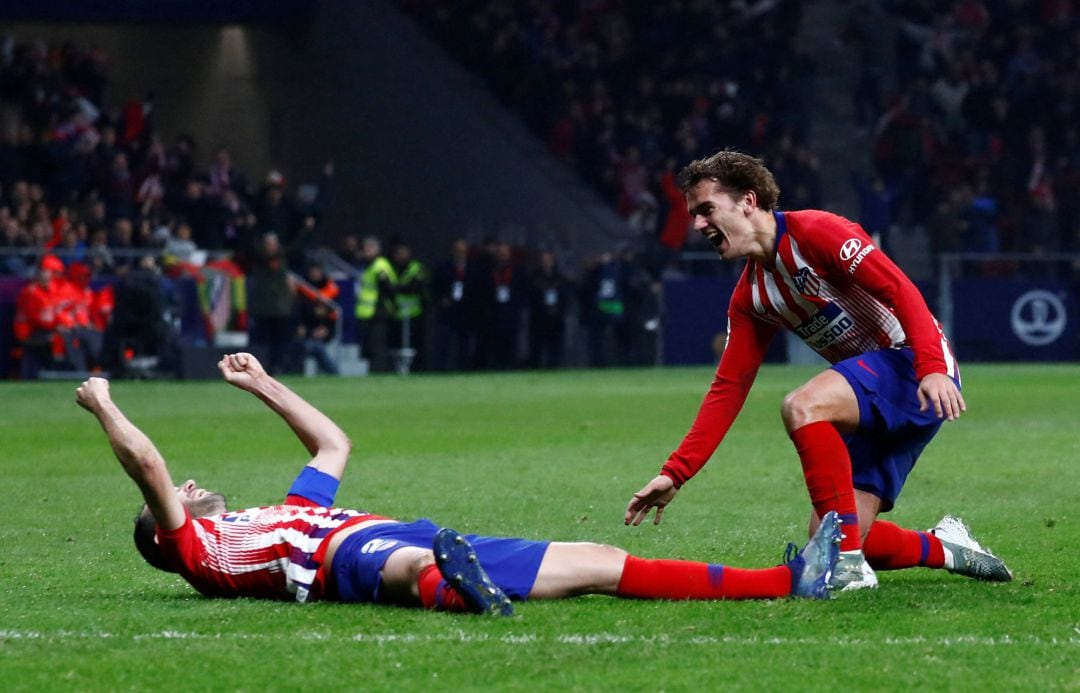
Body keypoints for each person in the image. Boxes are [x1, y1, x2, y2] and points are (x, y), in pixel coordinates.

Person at [77, 352, 845, 616]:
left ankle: (787, 580)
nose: (189, 482)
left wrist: (266, 385)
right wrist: (104, 401)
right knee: (411, 569)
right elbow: (147, 464)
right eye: (179, 491)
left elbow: (333, 442)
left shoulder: (277, 514)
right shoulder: (203, 550)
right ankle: (461, 591)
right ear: (164, 533)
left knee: (598, 559)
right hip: (344, 558)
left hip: (399, 532)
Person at [624, 150, 1012, 591]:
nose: (697, 225)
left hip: (912, 369)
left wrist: (932, 367)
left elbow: (900, 289)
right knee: (829, 534)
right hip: (873, 398)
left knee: (803, 406)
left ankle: (844, 566)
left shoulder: (817, 232)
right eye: (694, 215)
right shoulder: (751, 297)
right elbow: (727, 389)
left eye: (706, 209)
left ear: (748, 201)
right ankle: (947, 548)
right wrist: (676, 472)